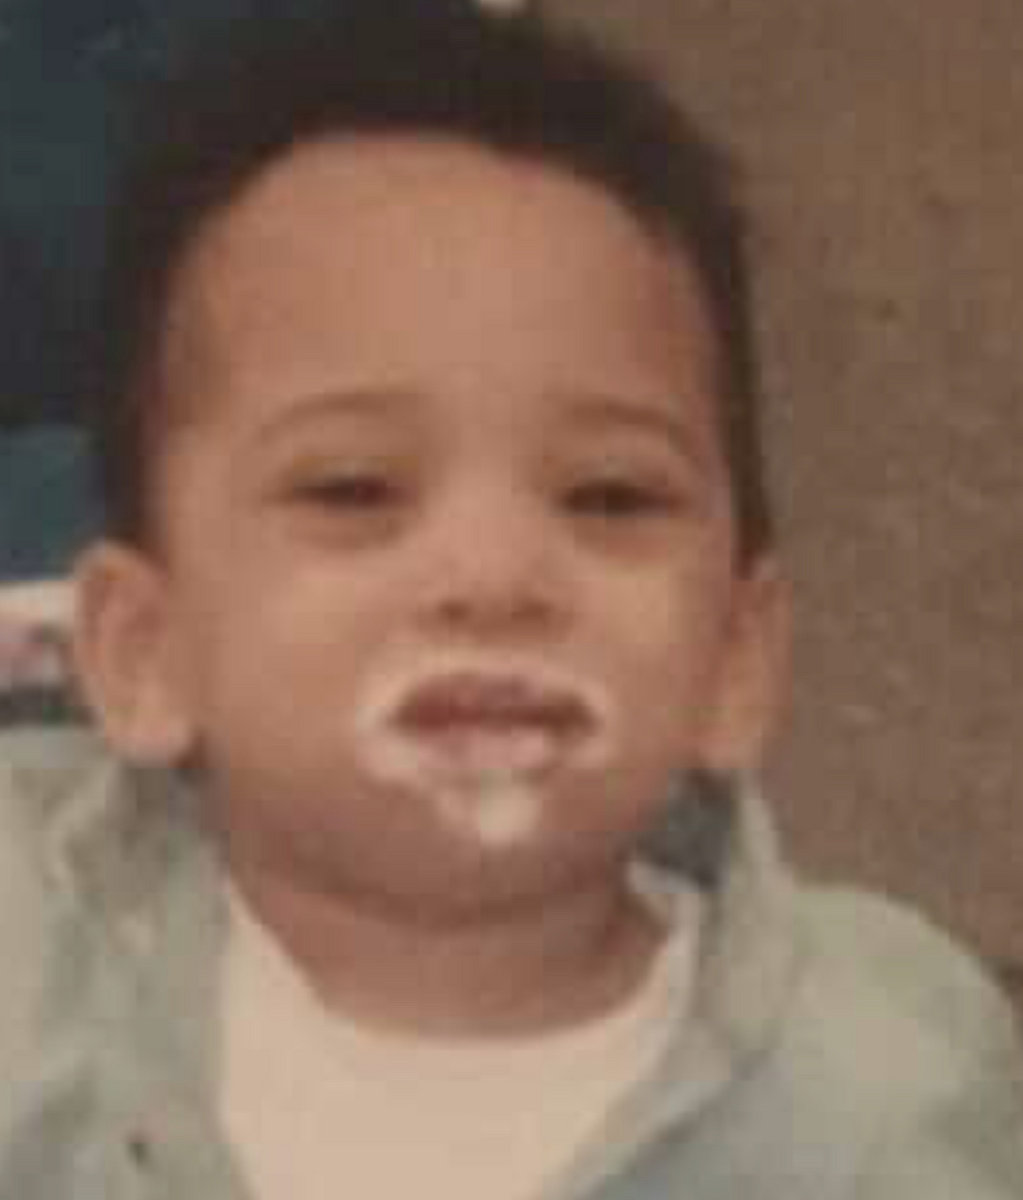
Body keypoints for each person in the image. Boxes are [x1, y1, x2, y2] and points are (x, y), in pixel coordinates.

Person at [0, 2, 1020, 1197]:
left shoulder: (882, 1082)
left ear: (737, 661)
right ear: (144, 654)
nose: (495, 577)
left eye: (609, 498)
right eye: (355, 488)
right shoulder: (32, 974)